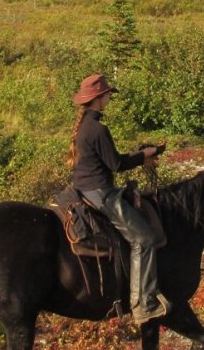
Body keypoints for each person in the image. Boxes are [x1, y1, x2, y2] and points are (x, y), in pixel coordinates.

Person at [68, 73, 169, 325]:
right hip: (100, 192)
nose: (110, 98)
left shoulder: (84, 126)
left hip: (84, 188)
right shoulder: (98, 129)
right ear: (99, 98)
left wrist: (139, 155)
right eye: (108, 95)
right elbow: (115, 164)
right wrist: (144, 154)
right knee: (144, 238)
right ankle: (144, 303)